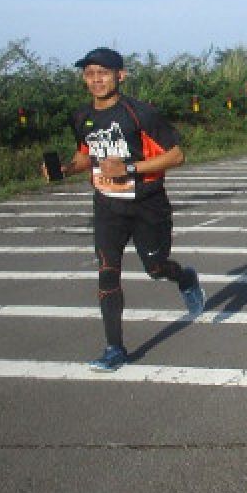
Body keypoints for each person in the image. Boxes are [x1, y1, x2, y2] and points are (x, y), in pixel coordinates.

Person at [43, 47, 205, 372]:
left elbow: (176, 156)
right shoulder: (81, 116)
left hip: (148, 205)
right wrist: (64, 169)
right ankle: (114, 348)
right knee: (107, 272)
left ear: (120, 75)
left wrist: (129, 169)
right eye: (89, 74)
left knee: (155, 268)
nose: (96, 80)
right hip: (107, 207)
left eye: (103, 73)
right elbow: (86, 154)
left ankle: (184, 277)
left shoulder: (141, 114)